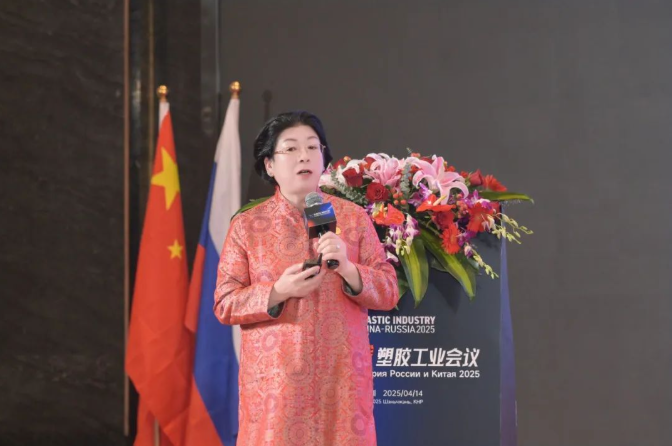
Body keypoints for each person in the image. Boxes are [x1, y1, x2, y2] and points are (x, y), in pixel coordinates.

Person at [214, 111, 399, 445]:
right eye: (291, 148)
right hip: (276, 391)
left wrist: (348, 268)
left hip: (341, 386)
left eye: (313, 147)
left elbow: (388, 291)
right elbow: (225, 303)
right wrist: (277, 291)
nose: (305, 156)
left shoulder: (353, 218)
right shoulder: (247, 226)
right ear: (270, 165)